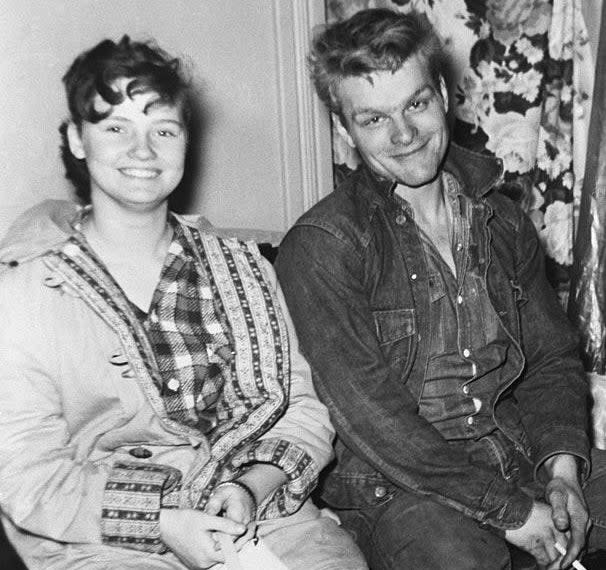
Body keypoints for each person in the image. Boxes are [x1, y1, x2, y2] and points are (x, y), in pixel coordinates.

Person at [0, 35, 367, 570]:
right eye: (116, 128)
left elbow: (301, 409)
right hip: (103, 536)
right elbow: (26, 472)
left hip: (260, 514)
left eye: (163, 130)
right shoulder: (26, 292)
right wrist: (163, 521)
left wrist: (248, 487)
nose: (142, 151)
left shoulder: (244, 267)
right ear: (78, 140)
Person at [274, 8, 606, 570]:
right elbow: (375, 421)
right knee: (454, 555)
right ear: (343, 129)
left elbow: (550, 359)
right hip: (400, 493)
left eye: (416, 104)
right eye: (373, 119)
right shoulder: (322, 245)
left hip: (517, 459)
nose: (403, 135)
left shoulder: (503, 220)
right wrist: (513, 514)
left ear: (445, 96)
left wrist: (564, 471)